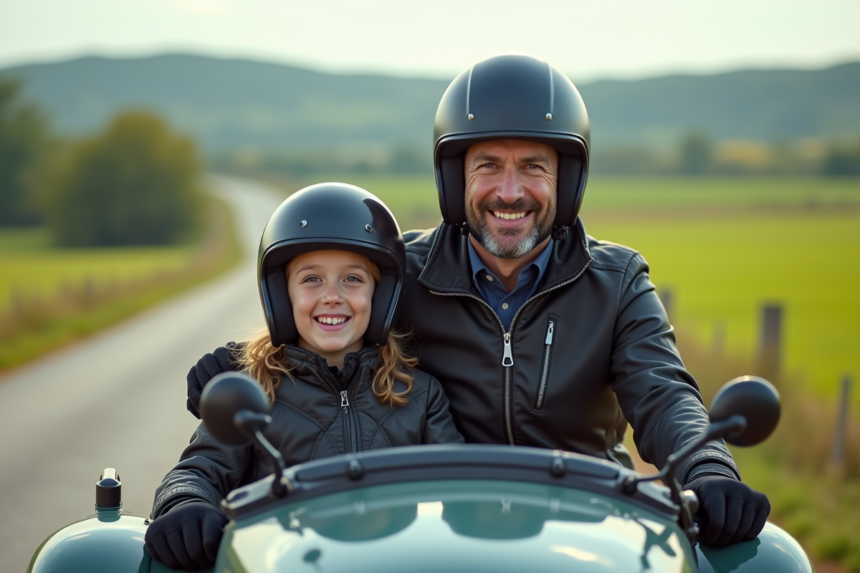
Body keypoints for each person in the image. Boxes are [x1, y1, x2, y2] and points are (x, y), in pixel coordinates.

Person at [186, 54, 770, 547]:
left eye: (533, 167)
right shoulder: (400, 274)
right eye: (487, 165)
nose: (509, 192)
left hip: (584, 532)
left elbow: (663, 391)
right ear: (453, 177)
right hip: (435, 534)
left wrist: (707, 465)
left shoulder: (615, 281)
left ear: (566, 181)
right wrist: (235, 367)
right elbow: (322, 331)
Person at [146, 183, 463, 570]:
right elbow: (197, 471)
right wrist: (185, 503)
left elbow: (458, 488)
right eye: (312, 279)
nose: (332, 296)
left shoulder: (419, 394)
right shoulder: (254, 389)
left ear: (381, 296)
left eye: (352, 279)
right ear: (283, 296)